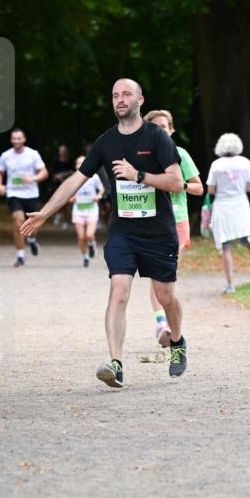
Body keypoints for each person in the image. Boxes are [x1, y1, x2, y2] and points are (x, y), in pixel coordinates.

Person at [20, 78, 187, 389]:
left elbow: (177, 182)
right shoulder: (106, 142)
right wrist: (46, 212)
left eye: (126, 94)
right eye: (115, 95)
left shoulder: (157, 137)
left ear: (140, 100)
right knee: (119, 292)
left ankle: (177, 342)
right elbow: (75, 180)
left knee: (166, 297)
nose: (120, 99)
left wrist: (138, 175)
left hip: (158, 233)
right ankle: (116, 364)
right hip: (123, 232)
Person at [145, 109, 203, 345]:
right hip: (150, 222)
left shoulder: (180, 154)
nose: (161, 131)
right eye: (155, 127)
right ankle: (161, 323)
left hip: (176, 221)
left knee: (165, 273)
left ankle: (168, 325)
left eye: (164, 127)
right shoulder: (142, 156)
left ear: (171, 130)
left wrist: (181, 186)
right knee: (155, 276)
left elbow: (199, 187)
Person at [206, 133, 250, 294]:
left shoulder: (216, 165)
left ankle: (230, 284)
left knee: (226, 246)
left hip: (222, 208)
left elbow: (211, 189)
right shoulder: (245, 162)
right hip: (241, 207)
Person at [0, 128, 48, 268]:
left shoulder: (32, 154)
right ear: (11, 140)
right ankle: (20, 256)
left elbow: (44, 172)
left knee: (33, 225)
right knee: (18, 222)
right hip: (14, 194)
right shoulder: (5, 156)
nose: (16, 141)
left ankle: (32, 240)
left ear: (24, 139)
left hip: (31, 194)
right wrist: (0, 185)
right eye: (14, 138)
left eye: (19, 138)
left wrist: (33, 178)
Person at [70, 154, 104, 267]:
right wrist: (71, 198)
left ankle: (91, 244)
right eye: (78, 163)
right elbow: (67, 194)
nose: (80, 165)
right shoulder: (72, 178)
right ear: (75, 166)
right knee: (81, 237)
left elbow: (102, 189)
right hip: (78, 210)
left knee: (89, 235)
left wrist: (98, 196)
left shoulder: (94, 177)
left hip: (91, 209)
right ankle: (85, 257)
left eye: (82, 163)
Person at [50, 144, 73, 228]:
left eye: (64, 150)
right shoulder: (55, 160)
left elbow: (72, 172)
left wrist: (64, 175)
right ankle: (59, 214)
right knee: (59, 202)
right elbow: (53, 173)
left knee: (67, 203)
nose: (62, 152)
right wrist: (57, 177)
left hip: (68, 184)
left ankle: (66, 221)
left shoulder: (70, 160)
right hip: (58, 185)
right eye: (61, 150)